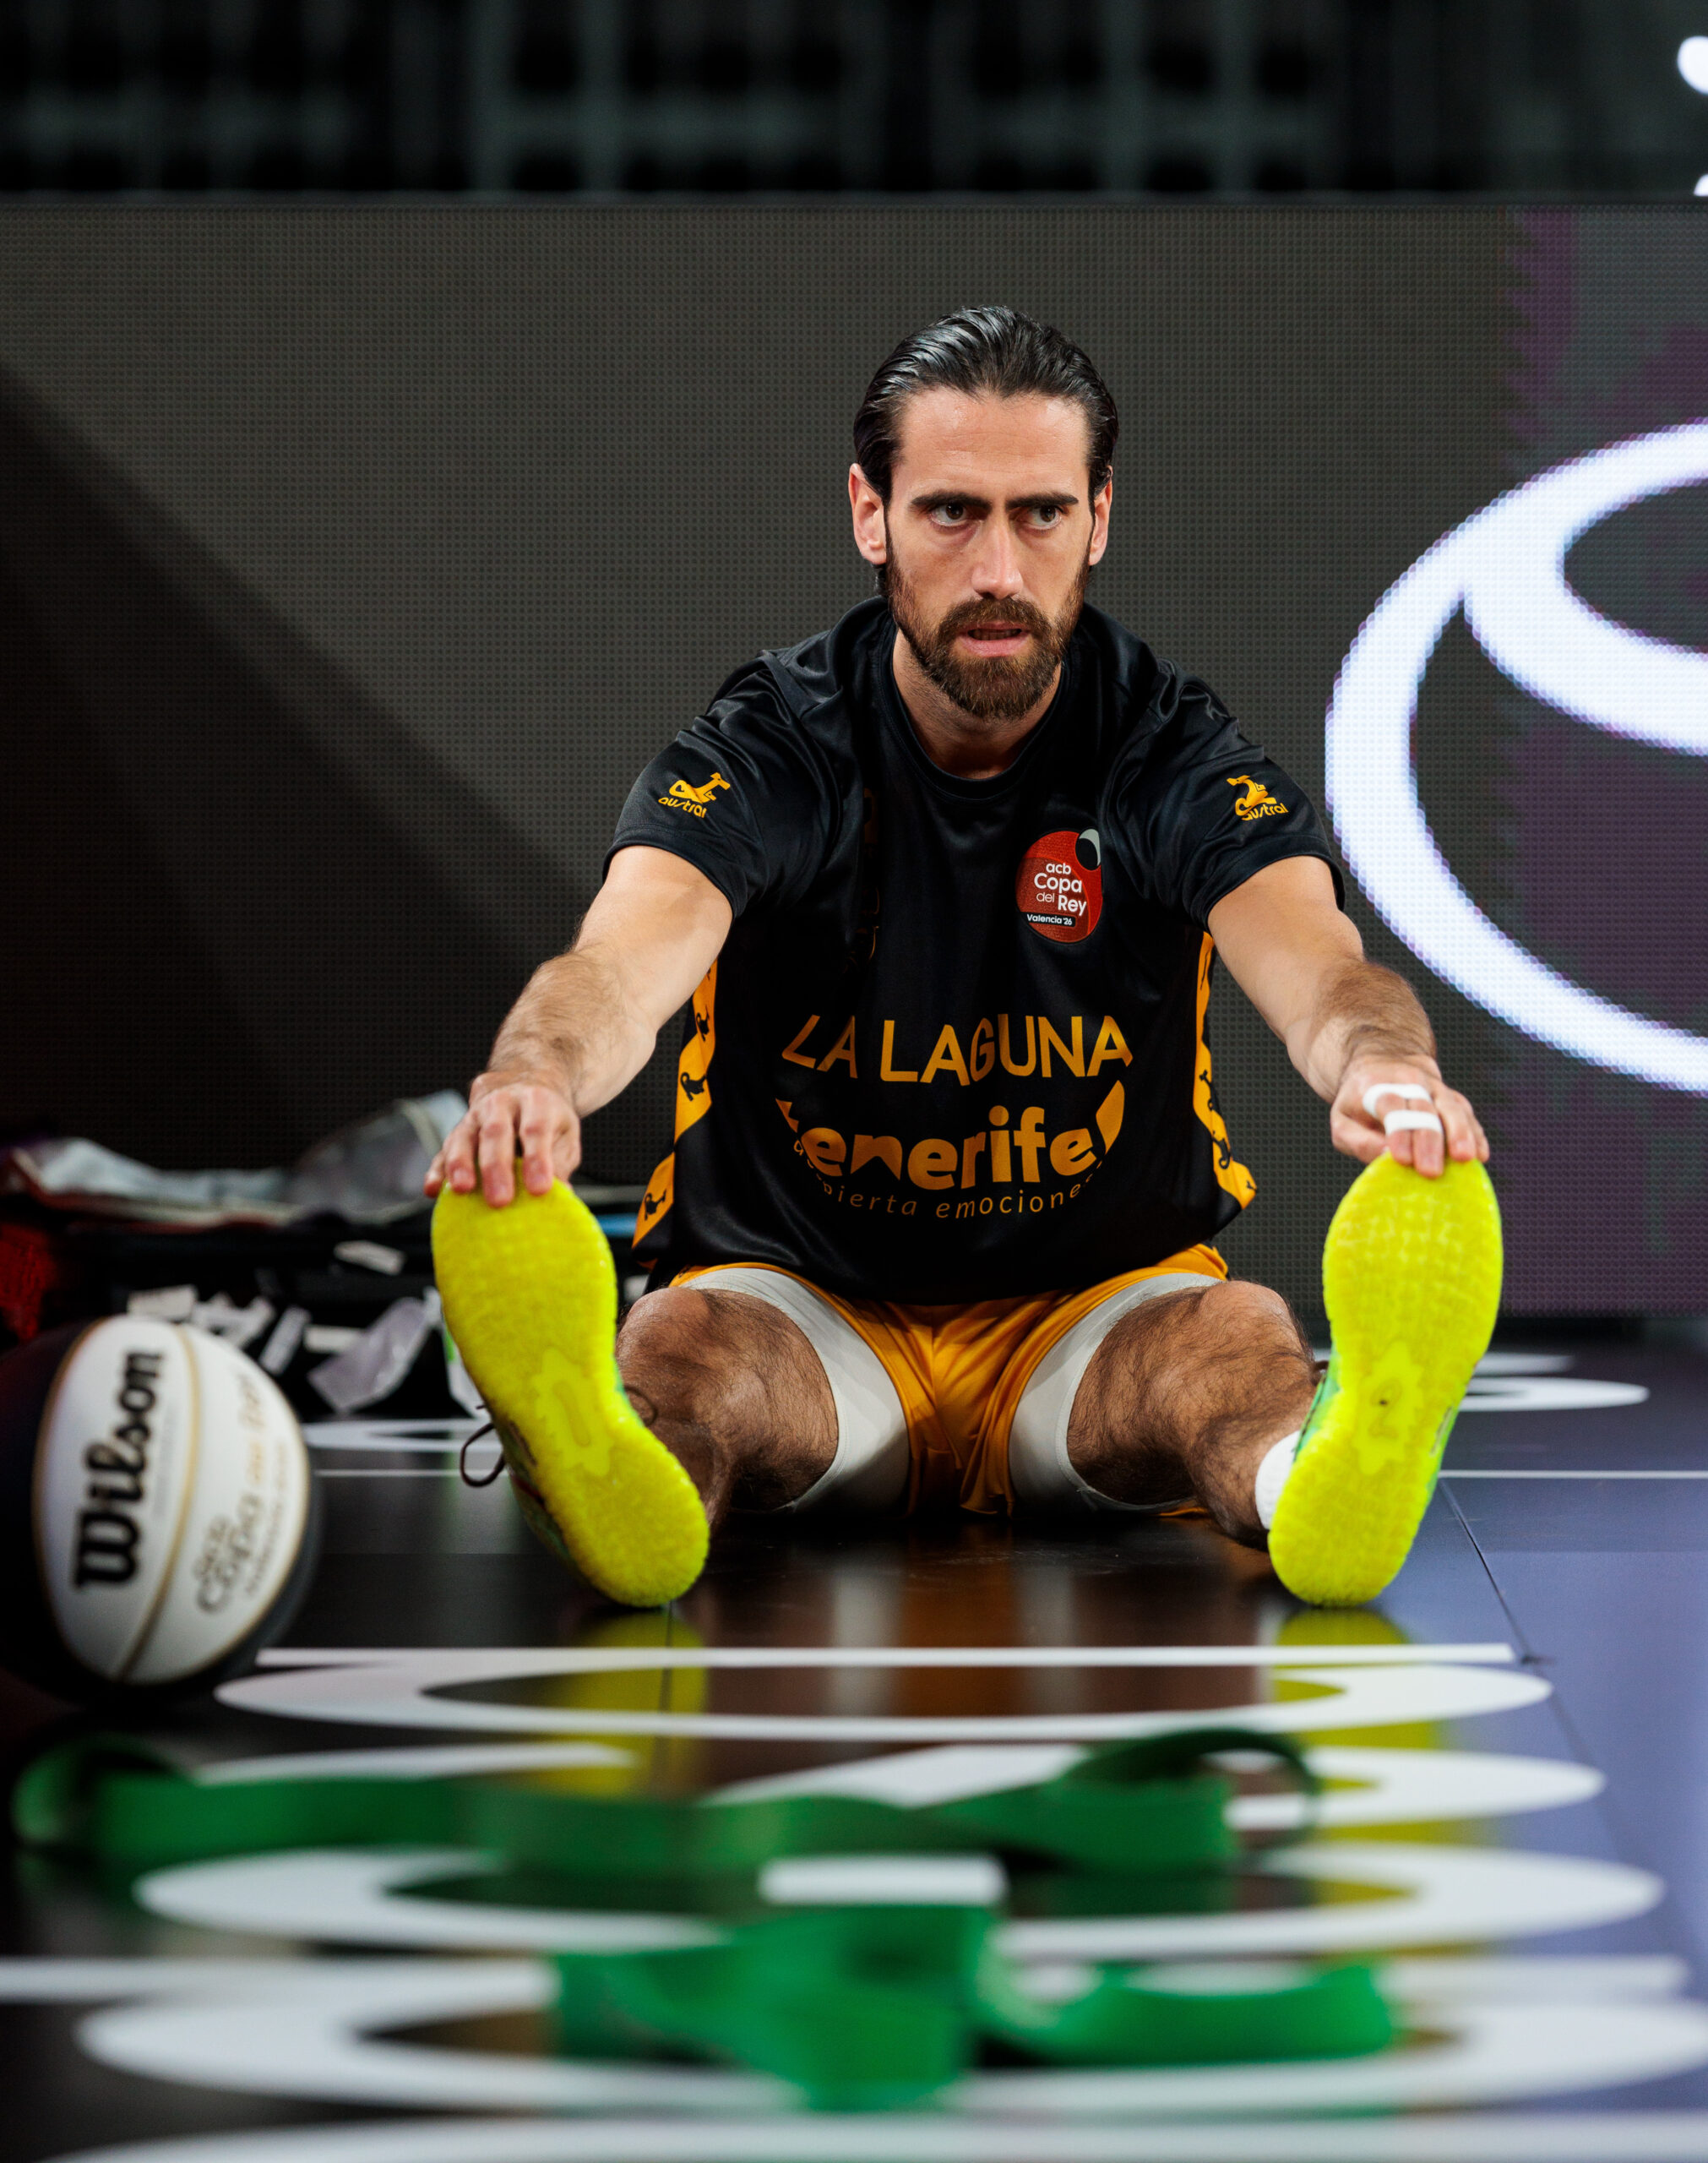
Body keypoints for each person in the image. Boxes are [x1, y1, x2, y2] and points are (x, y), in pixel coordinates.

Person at [426, 306, 1501, 1614]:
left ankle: (1315, 1483)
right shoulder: (769, 749)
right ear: (868, 516)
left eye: (1040, 514)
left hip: (1089, 1314)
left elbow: (1320, 966)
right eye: (949, 513)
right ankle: (611, 1471)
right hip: (802, 1311)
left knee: (1235, 1346)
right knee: (682, 1357)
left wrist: (1383, 1069)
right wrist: (535, 1078)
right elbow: (619, 962)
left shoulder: (1166, 752)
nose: (997, 567)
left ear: (1098, 520)